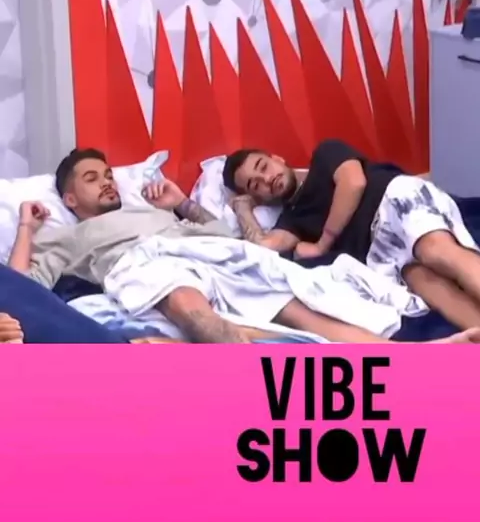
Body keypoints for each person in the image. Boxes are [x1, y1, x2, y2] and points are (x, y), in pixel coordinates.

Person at [6, 147, 480, 345]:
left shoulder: (157, 212)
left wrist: (183, 205)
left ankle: (412, 364)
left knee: (302, 308)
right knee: (179, 294)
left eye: (110, 174)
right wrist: (26, 227)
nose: (109, 182)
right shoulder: (66, 237)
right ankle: (231, 355)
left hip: (211, 256)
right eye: (93, 179)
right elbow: (21, 285)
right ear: (69, 199)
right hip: (144, 262)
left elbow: (223, 238)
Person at [223, 140, 480, 331]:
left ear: (277, 158)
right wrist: (243, 209)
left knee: (434, 251)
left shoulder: (324, 155)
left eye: (263, 167)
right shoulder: (291, 219)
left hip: (392, 200)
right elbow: (263, 248)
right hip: (379, 250)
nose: (267, 179)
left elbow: (353, 182)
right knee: (424, 283)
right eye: (256, 185)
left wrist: (323, 243)